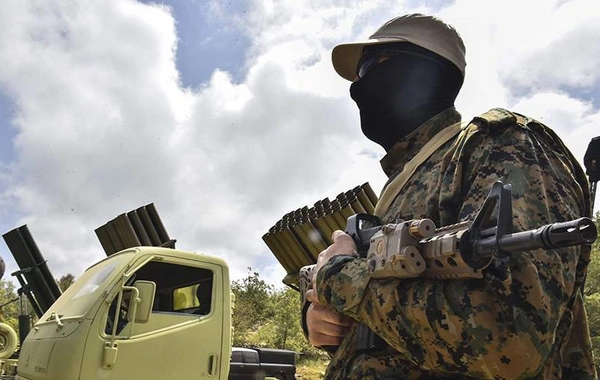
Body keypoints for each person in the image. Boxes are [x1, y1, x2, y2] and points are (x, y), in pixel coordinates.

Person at [304, 13, 596, 379]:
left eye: (368, 70)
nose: (356, 89)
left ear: (420, 72)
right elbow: (384, 324)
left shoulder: (503, 145)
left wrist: (338, 279)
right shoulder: (403, 185)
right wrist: (324, 320)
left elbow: (509, 342)